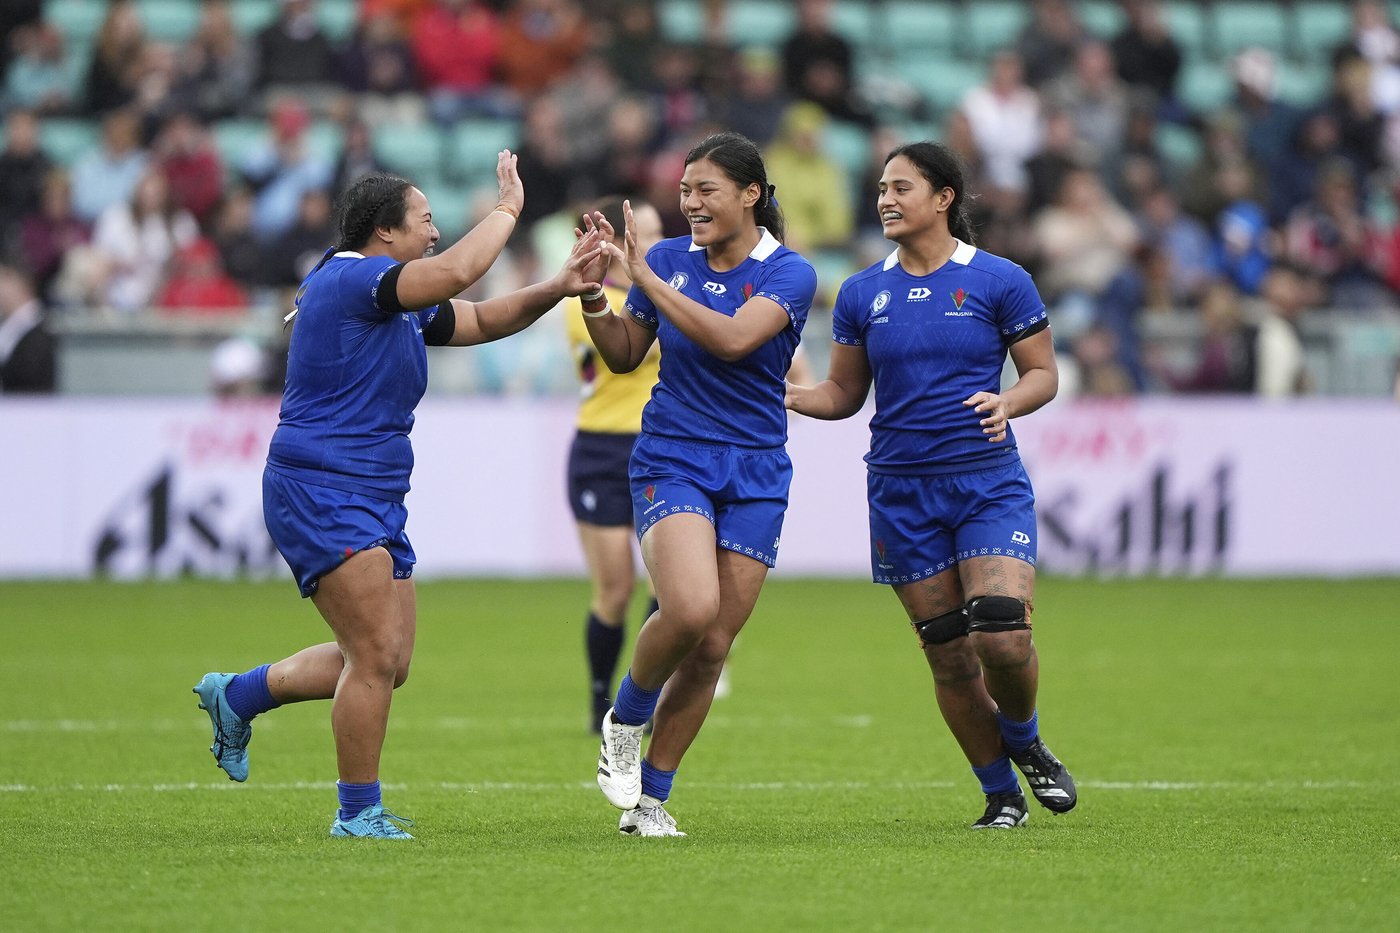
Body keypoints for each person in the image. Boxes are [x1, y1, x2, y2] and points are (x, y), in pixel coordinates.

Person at [193, 154, 607, 840]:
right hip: (322, 485)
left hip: (370, 489)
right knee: (375, 653)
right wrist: (508, 207)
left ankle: (237, 694)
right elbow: (456, 274)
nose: (437, 232)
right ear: (385, 232)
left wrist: (558, 286)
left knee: (389, 660)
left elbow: (476, 320)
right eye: (426, 219)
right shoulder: (353, 278)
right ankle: (357, 812)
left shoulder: (394, 296)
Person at [785, 141, 1076, 830]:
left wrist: (1009, 401)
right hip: (900, 491)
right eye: (881, 188)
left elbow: (1043, 373)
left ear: (944, 197)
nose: (884, 198)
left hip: (985, 480)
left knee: (1001, 633)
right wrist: (796, 395)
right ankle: (1000, 795)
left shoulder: (1001, 280)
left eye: (900, 187)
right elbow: (844, 394)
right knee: (948, 655)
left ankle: (1026, 735)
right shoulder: (860, 292)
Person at [580, 132, 817, 837]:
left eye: (705, 190)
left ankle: (649, 800)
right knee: (688, 609)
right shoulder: (665, 261)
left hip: (756, 469)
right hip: (673, 456)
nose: (690, 203)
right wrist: (596, 292)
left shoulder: (791, 272)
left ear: (751, 194)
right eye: (684, 191)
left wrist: (647, 281)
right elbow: (624, 354)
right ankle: (624, 718)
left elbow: (737, 339)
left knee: (713, 645)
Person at [563, 196, 665, 733]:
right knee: (615, 589)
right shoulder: (587, 299)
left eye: (650, 235)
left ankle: (640, 697)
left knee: (670, 587)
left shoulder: (663, 294)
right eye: (633, 235)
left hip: (658, 448)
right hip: (601, 452)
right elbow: (627, 353)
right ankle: (599, 699)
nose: (642, 246)